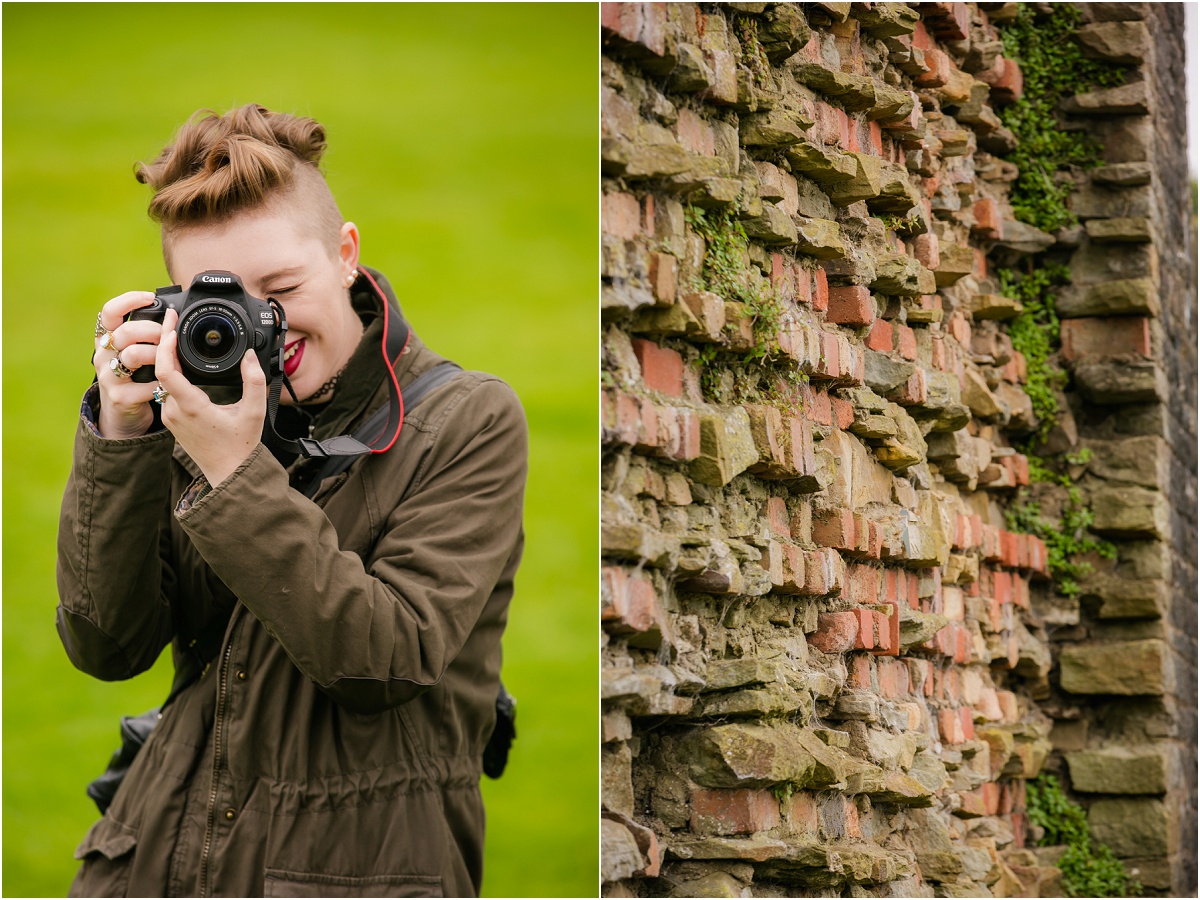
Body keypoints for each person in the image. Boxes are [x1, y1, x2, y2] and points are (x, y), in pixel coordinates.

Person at [56, 103, 527, 898]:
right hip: (153, 863)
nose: (263, 324)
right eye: (223, 304)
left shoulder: (468, 419)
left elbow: (385, 661)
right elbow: (108, 645)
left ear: (345, 255)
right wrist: (122, 434)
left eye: (281, 286)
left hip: (360, 869)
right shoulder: (195, 408)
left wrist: (235, 473)